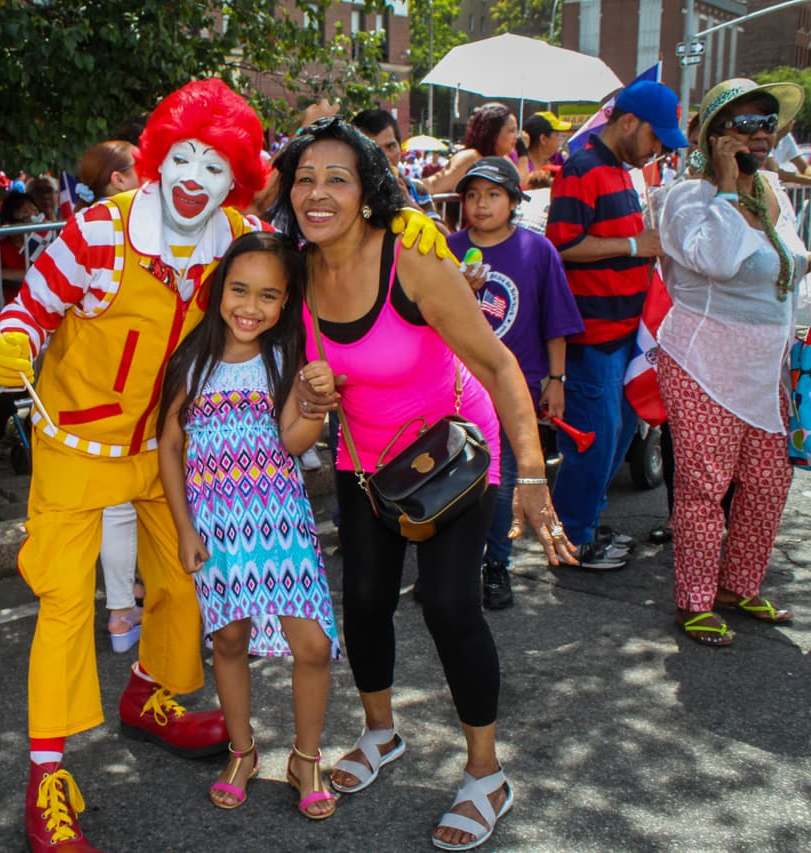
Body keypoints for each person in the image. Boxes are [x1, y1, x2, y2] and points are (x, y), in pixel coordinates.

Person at [0, 78, 451, 852]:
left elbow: (311, 245)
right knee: (65, 604)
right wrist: (11, 342)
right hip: (78, 444)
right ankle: (47, 775)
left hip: (170, 458)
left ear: (235, 178)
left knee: (183, 585)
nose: (195, 177)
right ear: (158, 157)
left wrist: (406, 229)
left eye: (216, 165)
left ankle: (147, 695)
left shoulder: (234, 239)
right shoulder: (96, 231)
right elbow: (27, 307)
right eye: (183, 156)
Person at [276, 116, 575, 852]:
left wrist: (531, 475)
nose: (318, 192)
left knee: (448, 604)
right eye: (305, 177)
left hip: (451, 452)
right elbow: (306, 405)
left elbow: (500, 365)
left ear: (369, 191)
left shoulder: (411, 258)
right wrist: (312, 400)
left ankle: (485, 772)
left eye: (337, 177)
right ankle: (382, 733)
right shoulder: (295, 268)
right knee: (367, 599)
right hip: (366, 457)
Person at [158, 231, 341, 819]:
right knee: (229, 639)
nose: (250, 306)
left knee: (311, 645)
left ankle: (305, 758)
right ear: (219, 291)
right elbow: (169, 446)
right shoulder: (195, 359)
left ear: (286, 303)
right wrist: (185, 530)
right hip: (215, 528)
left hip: (279, 524)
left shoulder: (286, 360)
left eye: (268, 295)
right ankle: (242, 751)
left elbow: (293, 440)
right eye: (240, 289)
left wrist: (314, 406)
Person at [655, 77, 806, 646]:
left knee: (769, 480)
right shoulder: (685, 198)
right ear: (716, 135)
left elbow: (789, 265)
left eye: (767, 123)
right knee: (704, 487)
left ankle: (738, 586)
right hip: (702, 363)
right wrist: (723, 185)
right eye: (745, 124)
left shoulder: (773, 190)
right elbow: (717, 260)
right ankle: (694, 600)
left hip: (765, 366)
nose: (762, 134)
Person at [544, 80, 689, 570]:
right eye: (657, 138)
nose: (659, 149)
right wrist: (633, 247)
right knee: (595, 442)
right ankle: (574, 539)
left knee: (616, 436)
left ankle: (585, 523)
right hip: (594, 336)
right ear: (629, 122)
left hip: (622, 334)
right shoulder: (582, 168)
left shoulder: (615, 169)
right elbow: (560, 247)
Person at [447, 158, 585, 610]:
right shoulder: (447, 248)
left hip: (516, 387)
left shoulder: (537, 250)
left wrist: (557, 380)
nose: (480, 205)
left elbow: (556, 323)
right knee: (450, 479)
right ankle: (448, 568)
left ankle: (497, 567)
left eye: (492, 195)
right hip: (455, 387)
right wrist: (462, 293)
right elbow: (432, 319)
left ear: (513, 201)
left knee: (502, 483)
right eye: (471, 195)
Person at [74, 138, 146, 652]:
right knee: (131, 501)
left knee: (125, 504)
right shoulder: (108, 226)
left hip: (111, 382)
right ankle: (127, 609)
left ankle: (126, 606)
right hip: (127, 383)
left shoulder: (95, 225)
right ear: (118, 179)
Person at [421, 103, 519, 196]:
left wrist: (523, 153)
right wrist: (408, 185)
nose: (516, 136)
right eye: (511, 131)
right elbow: (434, 185)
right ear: (493, 132)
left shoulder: (506, 161)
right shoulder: (470, 158)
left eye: (516, 131)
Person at [0, 190, 41, 304]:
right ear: (8, 224)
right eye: (26, 219)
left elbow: (48, 274)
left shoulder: (48, 243)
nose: (34, 224)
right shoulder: (1, 249)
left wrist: (1, 275)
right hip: (10, 309)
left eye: (37, 216)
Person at [517, 112, 571, 185]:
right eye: (558, 135)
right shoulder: (519, 161)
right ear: (543, 139)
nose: (560, 140)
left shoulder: (558, 159)